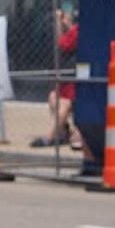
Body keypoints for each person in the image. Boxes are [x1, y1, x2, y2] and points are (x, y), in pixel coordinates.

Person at [33, 8, 80, 148]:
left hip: (75, 81)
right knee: (53, 97)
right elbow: (61, 43)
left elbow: (62, 44)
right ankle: (63, 132)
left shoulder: (78, 30)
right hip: (67, 78)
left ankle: (49, 137)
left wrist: (63, 23)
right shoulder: (72, 32)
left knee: (64, 104)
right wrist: (62, 24)